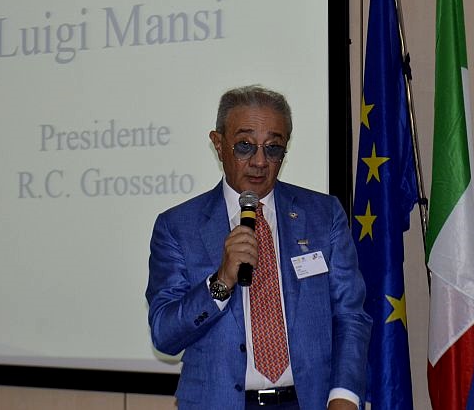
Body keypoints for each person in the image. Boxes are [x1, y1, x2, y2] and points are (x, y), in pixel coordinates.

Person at [146, 85, 371, 409]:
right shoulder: (178, 227)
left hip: (309, 401)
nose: (260, 161)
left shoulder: (323, 215)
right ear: (218, 144)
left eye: (274, 148)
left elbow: (350, 316)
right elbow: (165, 335)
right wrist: (221, 281)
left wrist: (344, 397)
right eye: (245, 146)